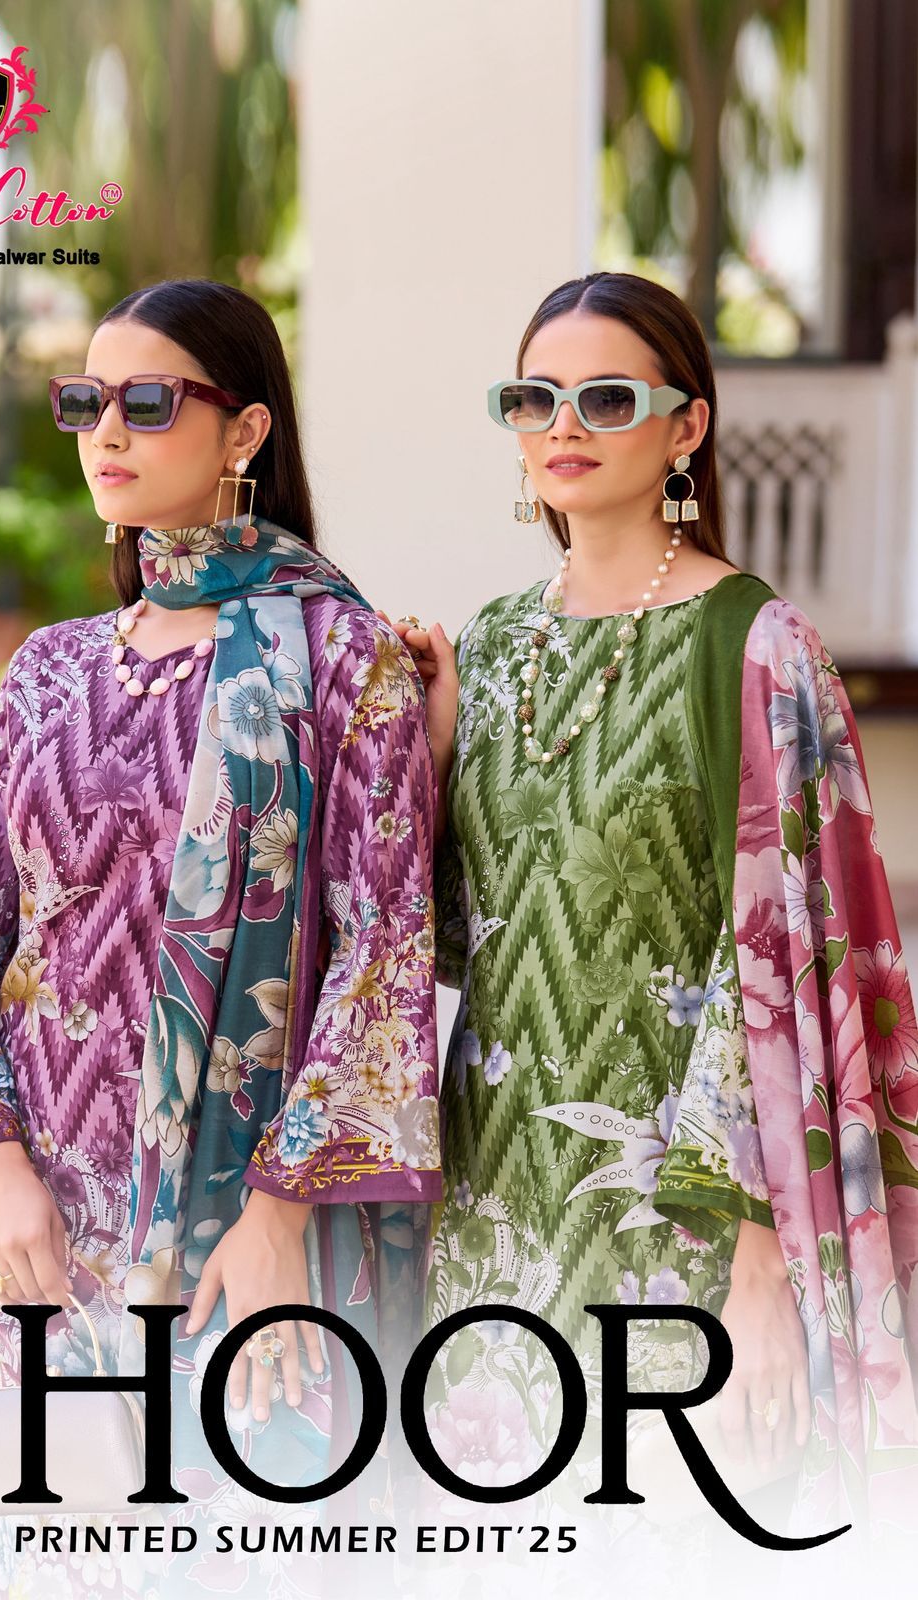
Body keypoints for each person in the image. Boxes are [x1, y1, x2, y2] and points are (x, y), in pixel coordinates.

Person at [0, 278, 442, 1597]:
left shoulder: (342, 662)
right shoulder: (48, 669)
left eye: (147, 401)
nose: (105, 430)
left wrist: (279, 1210)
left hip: (254, 1238)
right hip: (39, 1237)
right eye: (85, 400)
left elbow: (381, 952)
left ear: (244, 428)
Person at [393, 271, 917, 1543]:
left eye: (605, 399)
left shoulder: (758, 648)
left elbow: (782, 967)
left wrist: (757, 1266)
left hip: (675, 1223)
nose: (561, 425)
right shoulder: (494, 641)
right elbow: (470, 944)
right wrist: (437, 754)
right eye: (533, 398)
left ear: (685, 426)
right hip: (497, 1207)